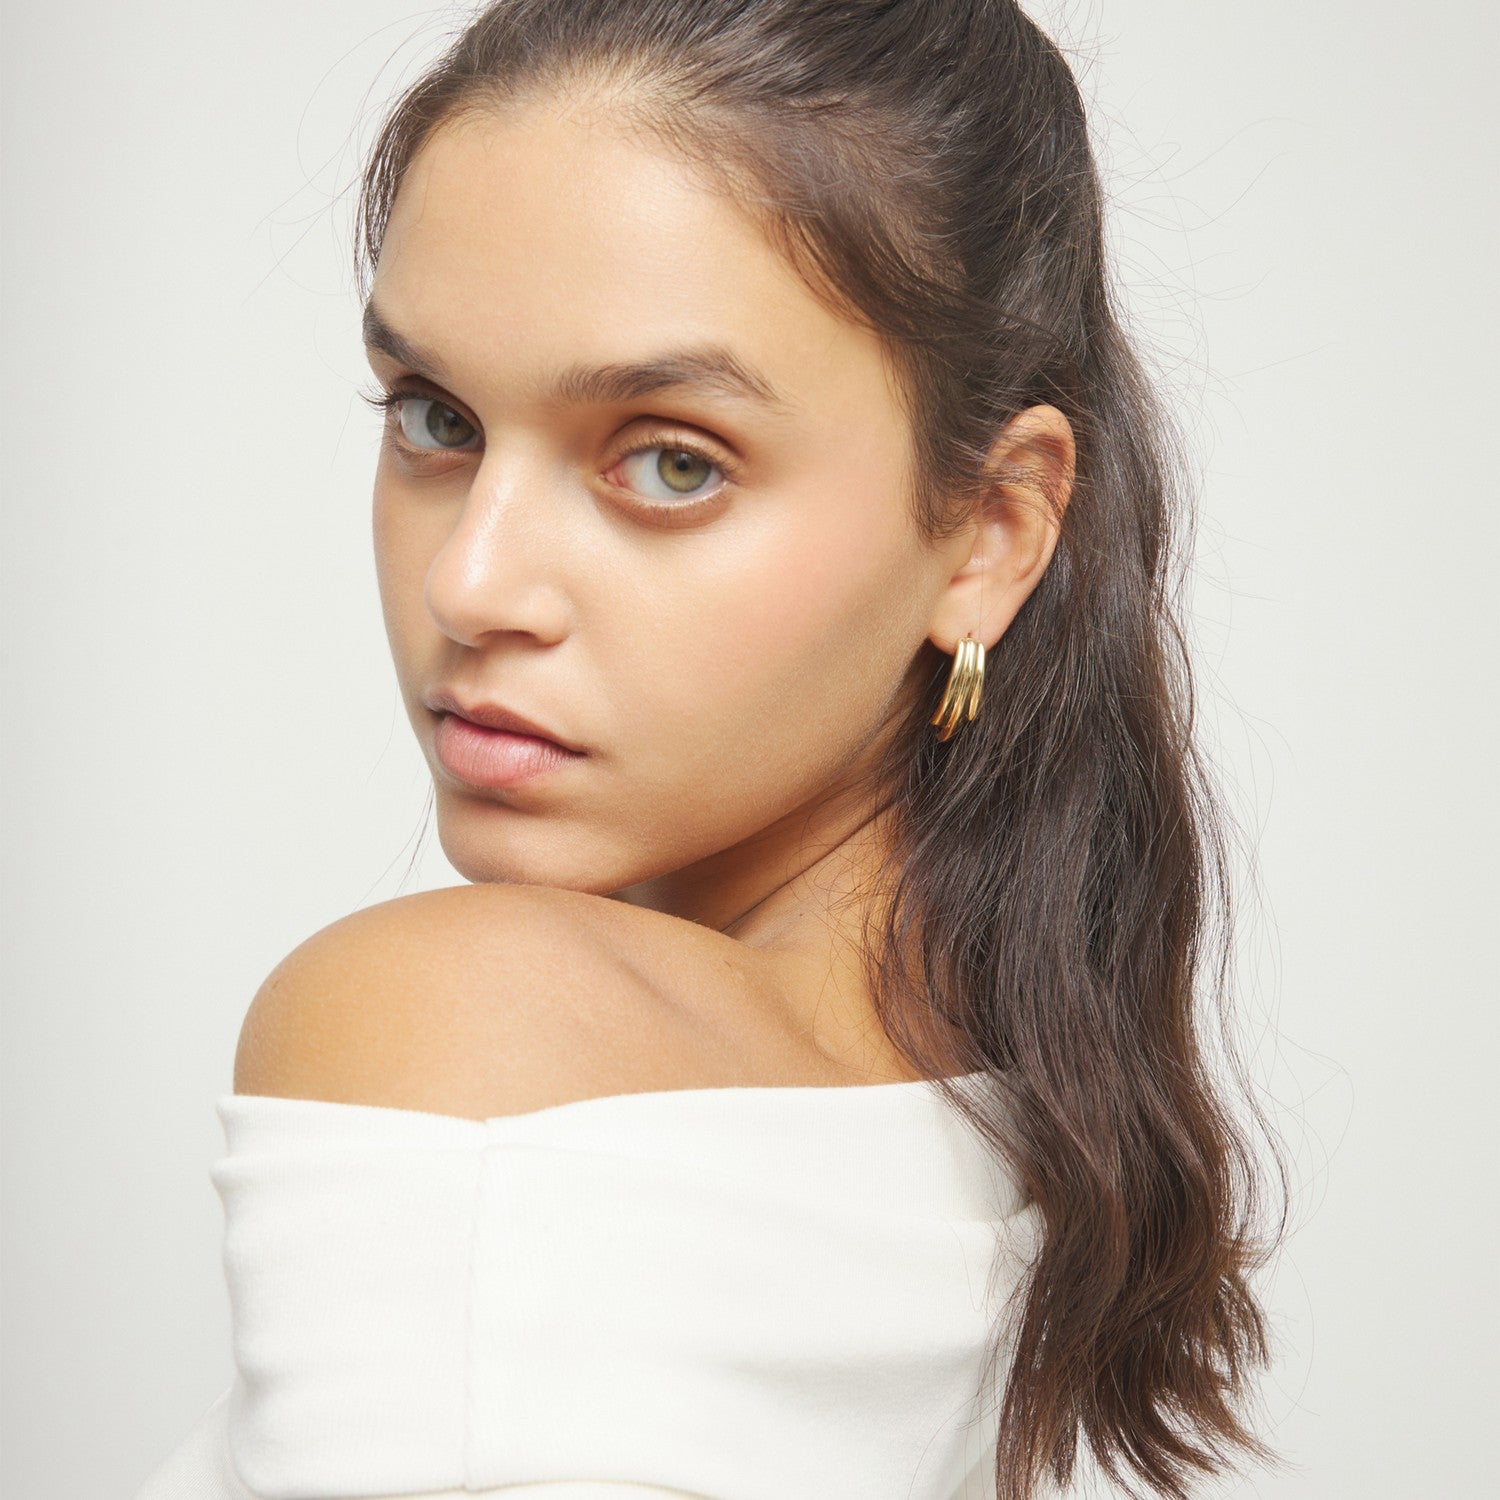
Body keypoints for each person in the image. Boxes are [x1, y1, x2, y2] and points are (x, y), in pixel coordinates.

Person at [133, 2, 1287, 1497]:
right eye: (437, 417)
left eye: (672, 461)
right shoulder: (1004, 1134)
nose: (469, 585)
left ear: (990, 534)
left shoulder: (474, 1035)